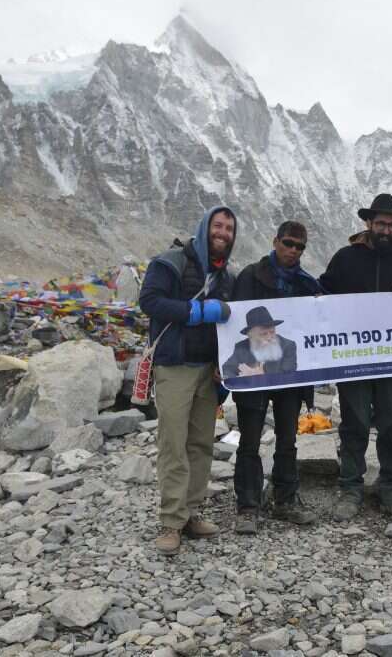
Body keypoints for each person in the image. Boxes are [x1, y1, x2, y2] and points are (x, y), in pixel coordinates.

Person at [138, 205, 237, 555]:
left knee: (200, 444)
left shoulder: (227, 277)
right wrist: (193, 312)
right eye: (218, 225)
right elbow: (149, 300)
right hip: (175, 366)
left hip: (208, 370)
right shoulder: (171, 262)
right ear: (204, 226)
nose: (222, 233)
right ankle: (170, 521)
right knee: (173, 443)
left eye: (228, 228)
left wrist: (224, 364)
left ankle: (190, 512)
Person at [319, 194, 392, 522]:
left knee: (391, 423)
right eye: (381, 224)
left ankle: (391, 487)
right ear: (368, 223)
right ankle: (350, 488)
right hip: (353, 359)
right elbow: (323, 297)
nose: (386, 230)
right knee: (355, 422)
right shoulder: (345, 258)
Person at [229, 221, 323, 533]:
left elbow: (321, 323)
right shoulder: (249, 276)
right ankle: (248, 505)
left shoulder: (309, 285)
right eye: (288, 243)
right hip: (252, 376)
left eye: (299, 246)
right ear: (275, 241)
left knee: (288, 439)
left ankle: (285, 499)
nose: (293, 250)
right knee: (250, 440)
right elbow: (232, 324)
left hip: (290, 377)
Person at [221, 306, 297, 379]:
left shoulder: (288, 346)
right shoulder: (241, 347)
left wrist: (261, 374)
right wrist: (236, 378)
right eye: (263, 334)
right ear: (251, 336)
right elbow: (227, 369)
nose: (269, 337)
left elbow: (289, 374)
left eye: (272, 332)